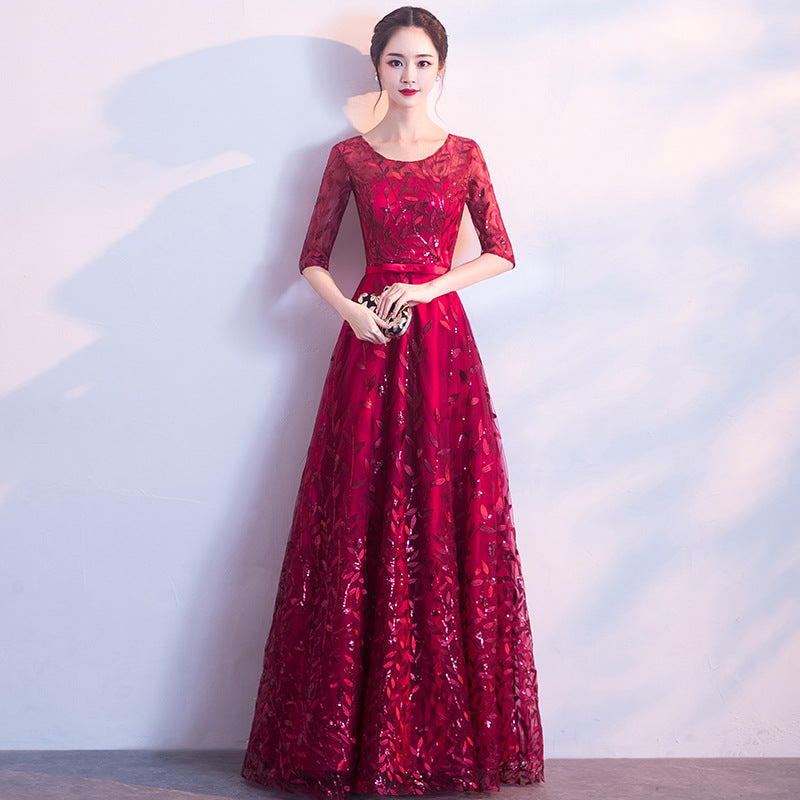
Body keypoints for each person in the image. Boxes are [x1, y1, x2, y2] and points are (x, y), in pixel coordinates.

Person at [241, 7, 544, 798]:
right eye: (395, 61)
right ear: (376, 67)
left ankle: (442, 743)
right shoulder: (348, 157)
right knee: (358, 514)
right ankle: (350, 741)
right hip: (369, 345)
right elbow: (311, 259)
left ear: (442, 69)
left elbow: (501, 252)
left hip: (442, 351)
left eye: (422, 62)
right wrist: (352, 311)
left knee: (443, 515)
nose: (408, 75)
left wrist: (428, 286)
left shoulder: (465, 154)